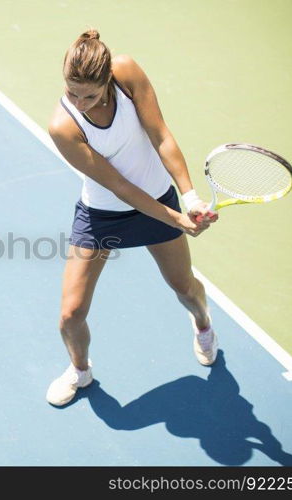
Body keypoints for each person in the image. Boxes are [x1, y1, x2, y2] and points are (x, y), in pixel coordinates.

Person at [46, 29, 219, 406]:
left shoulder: (127, 74)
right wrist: (176, 219)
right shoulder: (63, 126)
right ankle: (80, 370)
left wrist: (189, 198)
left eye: (89, 95)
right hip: (102, 216)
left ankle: (203, 324)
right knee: (70, 313)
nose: (80, 102)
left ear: (107, 79)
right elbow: (120, 187)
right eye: (71, 92)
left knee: (185, 288)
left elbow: (161, 136)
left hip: (158, 199)